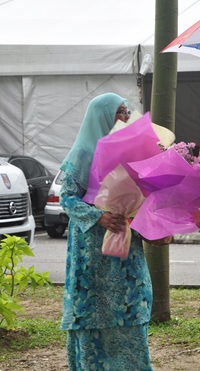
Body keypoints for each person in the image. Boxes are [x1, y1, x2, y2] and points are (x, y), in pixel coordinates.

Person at [59, 93, 154, 370]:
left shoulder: (135, 153)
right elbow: (67, 197)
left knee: (130, 310)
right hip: (92, 252)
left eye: (127, 111)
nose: (126, 117)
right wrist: (98, 216)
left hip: (125, 246)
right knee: (92, 314)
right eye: (120, 111)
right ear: (102, 116)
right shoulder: (84, 152)